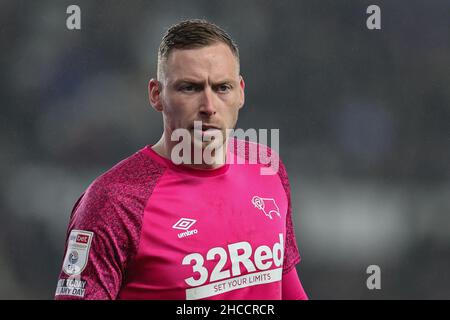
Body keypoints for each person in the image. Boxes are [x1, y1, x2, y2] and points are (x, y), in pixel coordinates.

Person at [55, 19, 308, 300]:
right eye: (190, 88)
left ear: (241, 92)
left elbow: (285, 286)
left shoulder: (267, 167)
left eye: (222, 88)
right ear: (156, 95)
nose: (209, 107)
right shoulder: (114, 202)